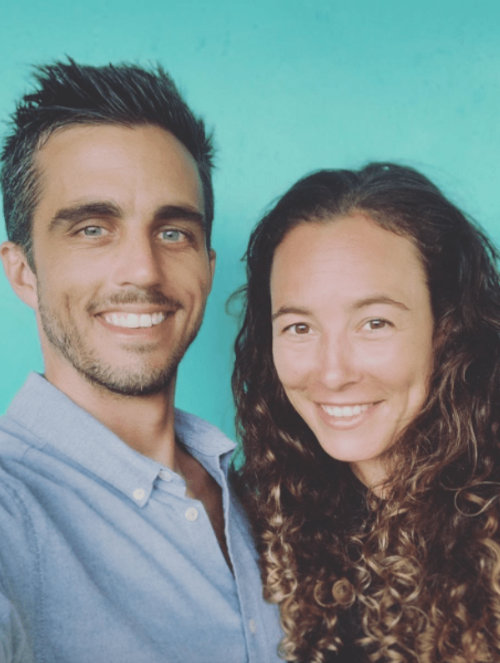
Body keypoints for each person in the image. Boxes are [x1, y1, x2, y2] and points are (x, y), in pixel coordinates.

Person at [0, 60, 281, 662]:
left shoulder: (260, 494)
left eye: (173, 232)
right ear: (23, 271)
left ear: (208, 264)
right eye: (93, 229)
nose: (144, 271)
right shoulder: (12, 513)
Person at [232, 164, 500, 663]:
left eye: (374, 322)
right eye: (299, 327)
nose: (333, 373)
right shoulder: (282, 521)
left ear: (445, 328)